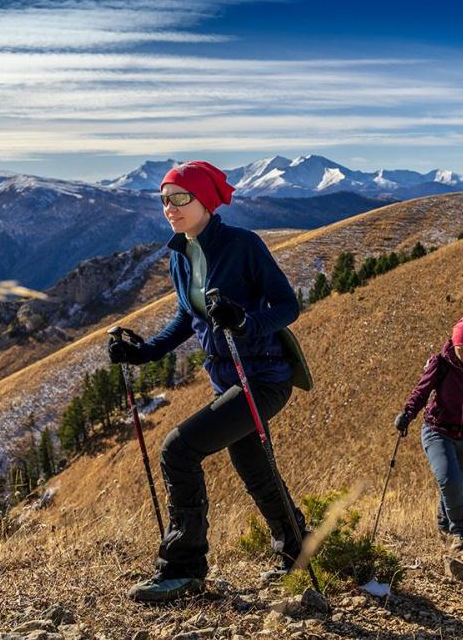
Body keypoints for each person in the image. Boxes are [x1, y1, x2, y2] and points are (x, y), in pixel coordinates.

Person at [108, 161, 306, 602]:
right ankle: (298, 551)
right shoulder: (182, 251)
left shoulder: (243, 245)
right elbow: (187, 314)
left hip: (265, 377)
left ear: (206, 202)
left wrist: (245, 322)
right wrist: (144, 353)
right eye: (164, 199)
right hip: (228, 380)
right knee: (255, 469)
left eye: (181, 198)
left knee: (178, 449)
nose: (170, 208)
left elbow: (287, 306)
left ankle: (184, 568)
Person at [395, 316, 463, 550]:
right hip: (438, 429)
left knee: (457, 482)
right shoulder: (441, 362)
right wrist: (407, 413)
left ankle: (444, 524)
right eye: (462, 350)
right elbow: (422, 391)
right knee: (449, 479)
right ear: (454, 345)